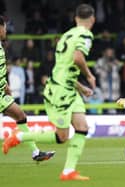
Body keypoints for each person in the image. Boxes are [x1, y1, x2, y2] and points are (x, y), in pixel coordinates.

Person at [2, 4, 96, 181]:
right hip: (60, 91)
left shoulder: (67, 35)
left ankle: (68, 171)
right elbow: (77, 58)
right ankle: (20, 136)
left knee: (82, 128)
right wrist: (89, 76)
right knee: (62, 137)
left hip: (68, 87)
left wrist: (81, 87)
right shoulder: (85, 35)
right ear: (92, 19)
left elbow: (63, 67)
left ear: (76, 18)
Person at [0, 16, 55, 161]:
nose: (6, 30)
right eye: (4, 26)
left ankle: (35, 152)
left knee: (21, 116)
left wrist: (5, 85)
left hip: (1, 94)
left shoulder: (1, 45)